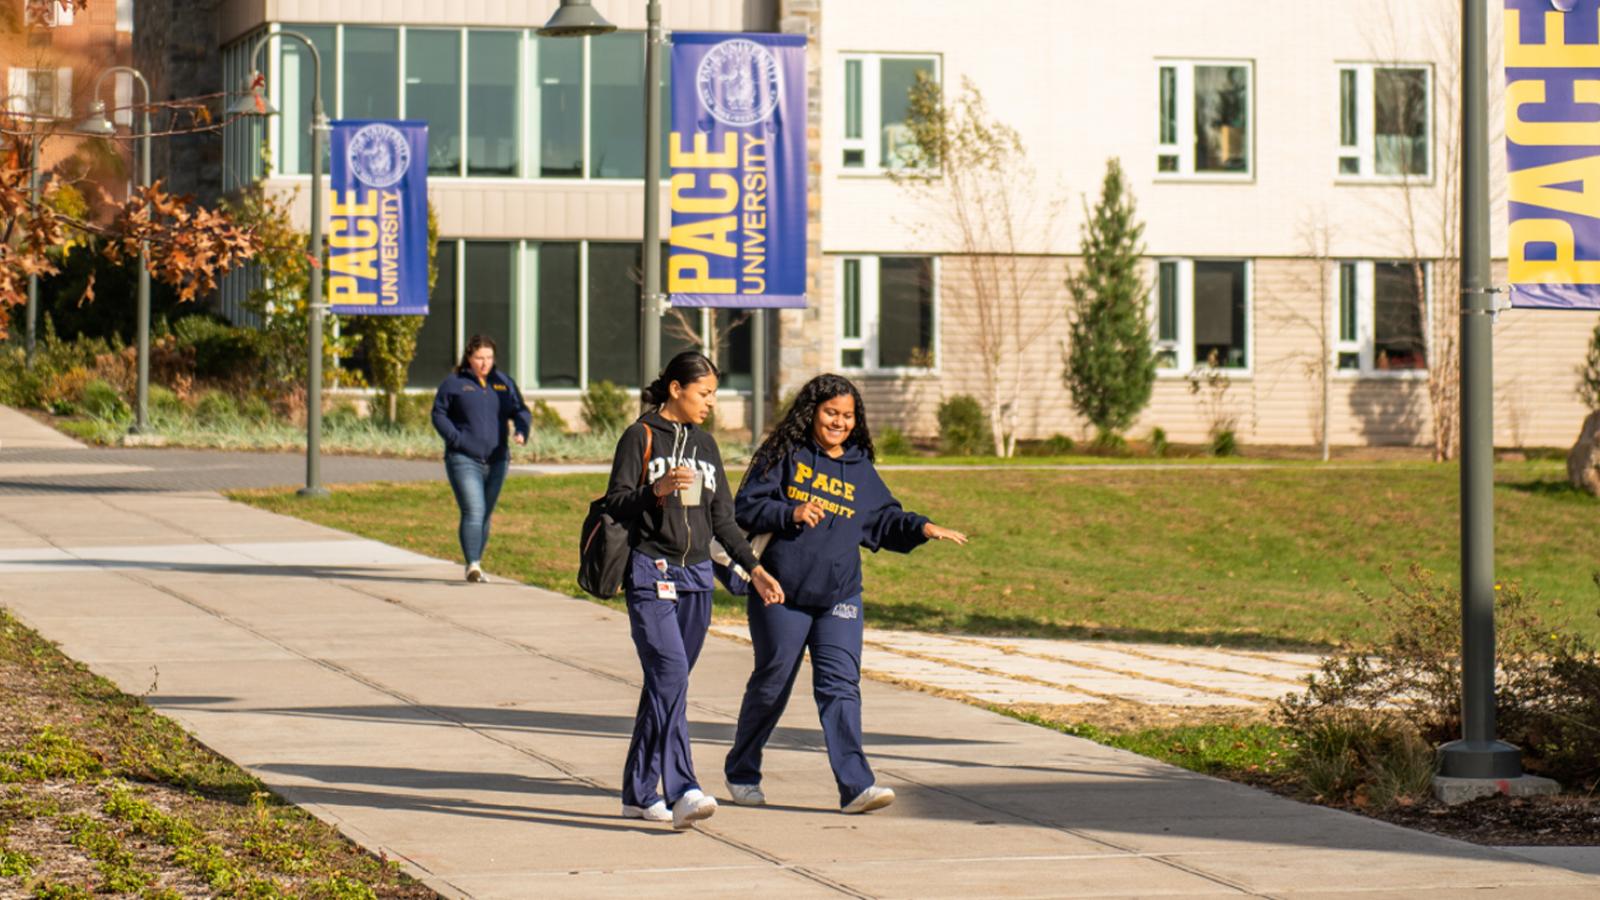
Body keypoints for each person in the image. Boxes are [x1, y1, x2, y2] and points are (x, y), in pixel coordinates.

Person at [724, 374, 967, 814]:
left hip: (840, 596)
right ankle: (742, 769)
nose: (839, 422)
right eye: (831, 412)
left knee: (840, 686)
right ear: (812, 412)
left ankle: (856, 786)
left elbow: (883, 518)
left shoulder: (858, 467)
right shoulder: (784, 455)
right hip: (781, 591)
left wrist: (922, 527)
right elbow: (745, 506)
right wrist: (790, 511)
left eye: (848, 416)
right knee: (773, 683)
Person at [605, 350, 785, 829]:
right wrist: (656, 489)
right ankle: (682, 787)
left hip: (697, 578)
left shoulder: (705, 445)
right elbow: (617, 502)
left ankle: (638, 792)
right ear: (676, 389)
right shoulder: (638, 436)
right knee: (671, 674)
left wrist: (754, 569)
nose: (710, 403)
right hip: (649, 571)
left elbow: (723, 519)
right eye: (704, 393)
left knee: (666, 685)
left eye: (713, 394)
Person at [430, 335, 531, 583]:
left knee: (484, 513)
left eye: (488, 358)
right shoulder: (454, 383)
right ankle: (473, 565)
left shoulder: (503, 383)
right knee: (474, 509)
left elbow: (521, 410)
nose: (484, 363)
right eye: (479, 358)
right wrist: (456, 438)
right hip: (463, 457)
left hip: (497, 459)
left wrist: (521, 430)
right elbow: (438, 413)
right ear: (469, 358)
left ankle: (476, 560)